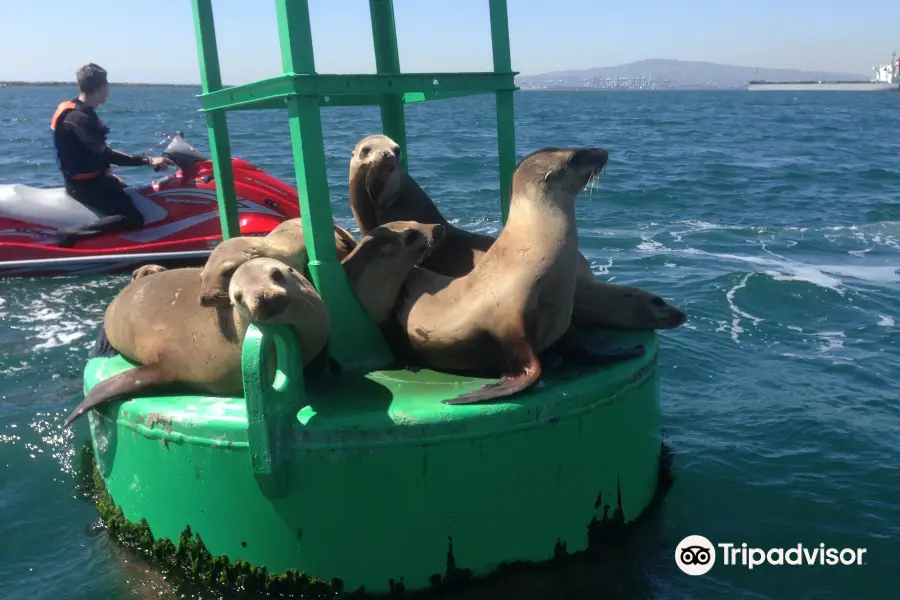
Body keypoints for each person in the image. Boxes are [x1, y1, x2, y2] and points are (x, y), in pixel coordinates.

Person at [50, 63, 168, 247]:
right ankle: (70, 235)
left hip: (93, 180)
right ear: (102, 88)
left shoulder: (80, 112)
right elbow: (105, 154)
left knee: (134, 193)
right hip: (85, 186)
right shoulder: (78, 118)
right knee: (134, 218)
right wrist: (149, 160)